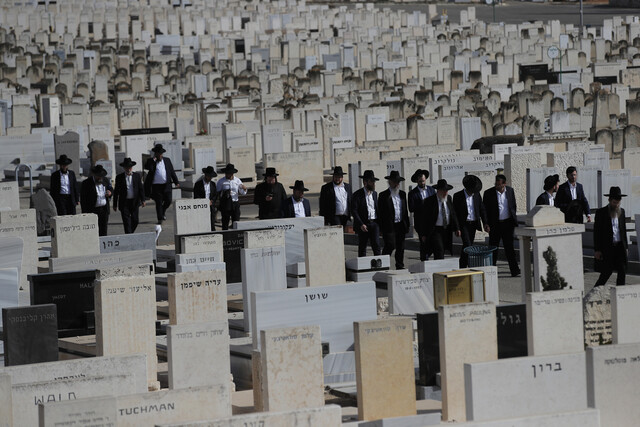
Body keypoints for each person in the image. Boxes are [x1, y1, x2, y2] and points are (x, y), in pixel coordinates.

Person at [483, 174, 520, 276]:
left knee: (510, 249)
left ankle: (514, 270)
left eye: (499, 185)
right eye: (496, 184)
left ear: (504, 184)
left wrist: (513, 219)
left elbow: (513, 205)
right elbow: (485, 210)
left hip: (507, 224)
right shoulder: (488, 193)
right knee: (493, 248)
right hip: (495, 225)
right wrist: (486, 223)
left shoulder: (510, 191)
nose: (497, 186)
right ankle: (491, 270)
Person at [594, 186, 628, 287]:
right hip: (607, 248)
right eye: (614, 203)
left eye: (618, 203)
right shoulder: (601, 213)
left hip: (620, 247)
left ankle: (620, 294)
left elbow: (623, 231)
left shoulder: (622, 212)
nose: (616, 205)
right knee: (606, 273)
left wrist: (626, 247)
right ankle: (595, 291)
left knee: (622, 271)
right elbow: (597, 232)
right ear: (609, 200)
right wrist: (597, 250)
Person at [453, 175, 488, 268]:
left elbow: (482, 209)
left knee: (468, 245)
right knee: (467, 244)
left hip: (473, 223)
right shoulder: (458, 196)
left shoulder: (476, 195)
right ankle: (467, 264)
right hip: (464, 224)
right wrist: (457, 228)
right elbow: (455, 214)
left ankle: (463, 264)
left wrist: (485, 223)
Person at [378, 171, 410, 269]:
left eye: (398, 182)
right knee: (390, 245)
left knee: (401, 247)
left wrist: (407, 224)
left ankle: (400, 265)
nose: (397, 184)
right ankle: (383, 264)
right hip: (389, 226)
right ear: (390, 182)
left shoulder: (403, 194)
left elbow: (405, 211)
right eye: (395, 182)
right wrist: (381, 229)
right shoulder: (383, 195)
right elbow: (381, 213)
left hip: (400, 224)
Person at [422, 179, 460, 260]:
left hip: (446, 229)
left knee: (443, 249)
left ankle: (438, 267)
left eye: (446, 191)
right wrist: (424, 233)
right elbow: (425, 218)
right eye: (443, 191)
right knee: (439, 249)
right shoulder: (430, 201)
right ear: (438, 190)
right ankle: (440, 268)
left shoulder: (449, 198)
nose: (445, 193)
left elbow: (453, 214)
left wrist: (457, 228)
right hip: (435, 230)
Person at [144, 144, 180, 224]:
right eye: (158, 154)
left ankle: (163, 211)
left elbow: (172, 172)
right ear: (155, 154)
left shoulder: (167, 160)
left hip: (167, 185)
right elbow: (147, 168)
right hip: (156, 186)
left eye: (161, 154)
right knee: (159, 202)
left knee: (168, 200)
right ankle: (160, 218)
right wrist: (153, 161)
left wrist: (176, 181)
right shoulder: (151, 161)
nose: (160, 155)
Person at [351, 170, 381, 257]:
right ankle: (362, 266)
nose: (373, 184)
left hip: (374, 223)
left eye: (374, 182)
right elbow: (354, 211)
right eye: (371, 182)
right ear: (365, 182)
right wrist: (361, 224)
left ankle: (379, 264)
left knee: (376, 245)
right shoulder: (357, 195)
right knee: (362, 247)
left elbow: (376, 208)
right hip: (363, 224)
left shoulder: (375, 194)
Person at [408, 169, 435, 261]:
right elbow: (411, 208)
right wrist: (423, 204)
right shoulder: (412, 193)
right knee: (423, 242)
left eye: (423, 181)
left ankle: (427, 256)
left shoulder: (431, 190)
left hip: (431, 221)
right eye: (420, 181)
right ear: (416, 181)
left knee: (433, 242)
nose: (422, 183)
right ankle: (424, 260)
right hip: (420, 222)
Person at [113, 158, 145, 234]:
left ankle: (129, 234)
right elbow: (116, 191)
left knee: (135, 220)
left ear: (132, 167)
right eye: (126, 167)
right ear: (124, 168)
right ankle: (128, 235)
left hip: (134, 202)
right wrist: (115, 204)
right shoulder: (119, 177)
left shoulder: (137, 176)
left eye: (130, 167)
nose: (128, 169)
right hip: (124, 203)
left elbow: (141, 189)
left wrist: (143, 200)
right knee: (127, 222)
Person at [80, 165, 113, 236]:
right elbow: (83, 200)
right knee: (94, 230)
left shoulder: (105, 180)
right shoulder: (86, 183)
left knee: (103, 229)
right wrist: (84, 213)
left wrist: (110, 192)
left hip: (104, 209)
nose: (100, 178)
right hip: (93, 210)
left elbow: (110, 189)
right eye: (98, 176)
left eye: (101, 176)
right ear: (94, 175)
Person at [216, 163, 247, 230]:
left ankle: (236, 234)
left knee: (236, 220)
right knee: (225, 221)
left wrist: (244, 189)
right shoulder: (221, 181)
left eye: (230, 173)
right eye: (227, 173)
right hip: (226, 203)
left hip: (234, 202)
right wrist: (225, 192)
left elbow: (242, 192)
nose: (228, 175)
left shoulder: (237, 180)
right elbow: (218, 192)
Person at [193, 166, 218, 231]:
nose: (210, 178)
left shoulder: (213, 184)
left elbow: (215, 195)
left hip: (210, 205)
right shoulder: (198, 184)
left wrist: (212, 201)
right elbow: (196, 195)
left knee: (212, 220)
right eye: (209, 176)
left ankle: (213, 231)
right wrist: (203, 202)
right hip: (202, 205)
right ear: (205, 175)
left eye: (211, 177)